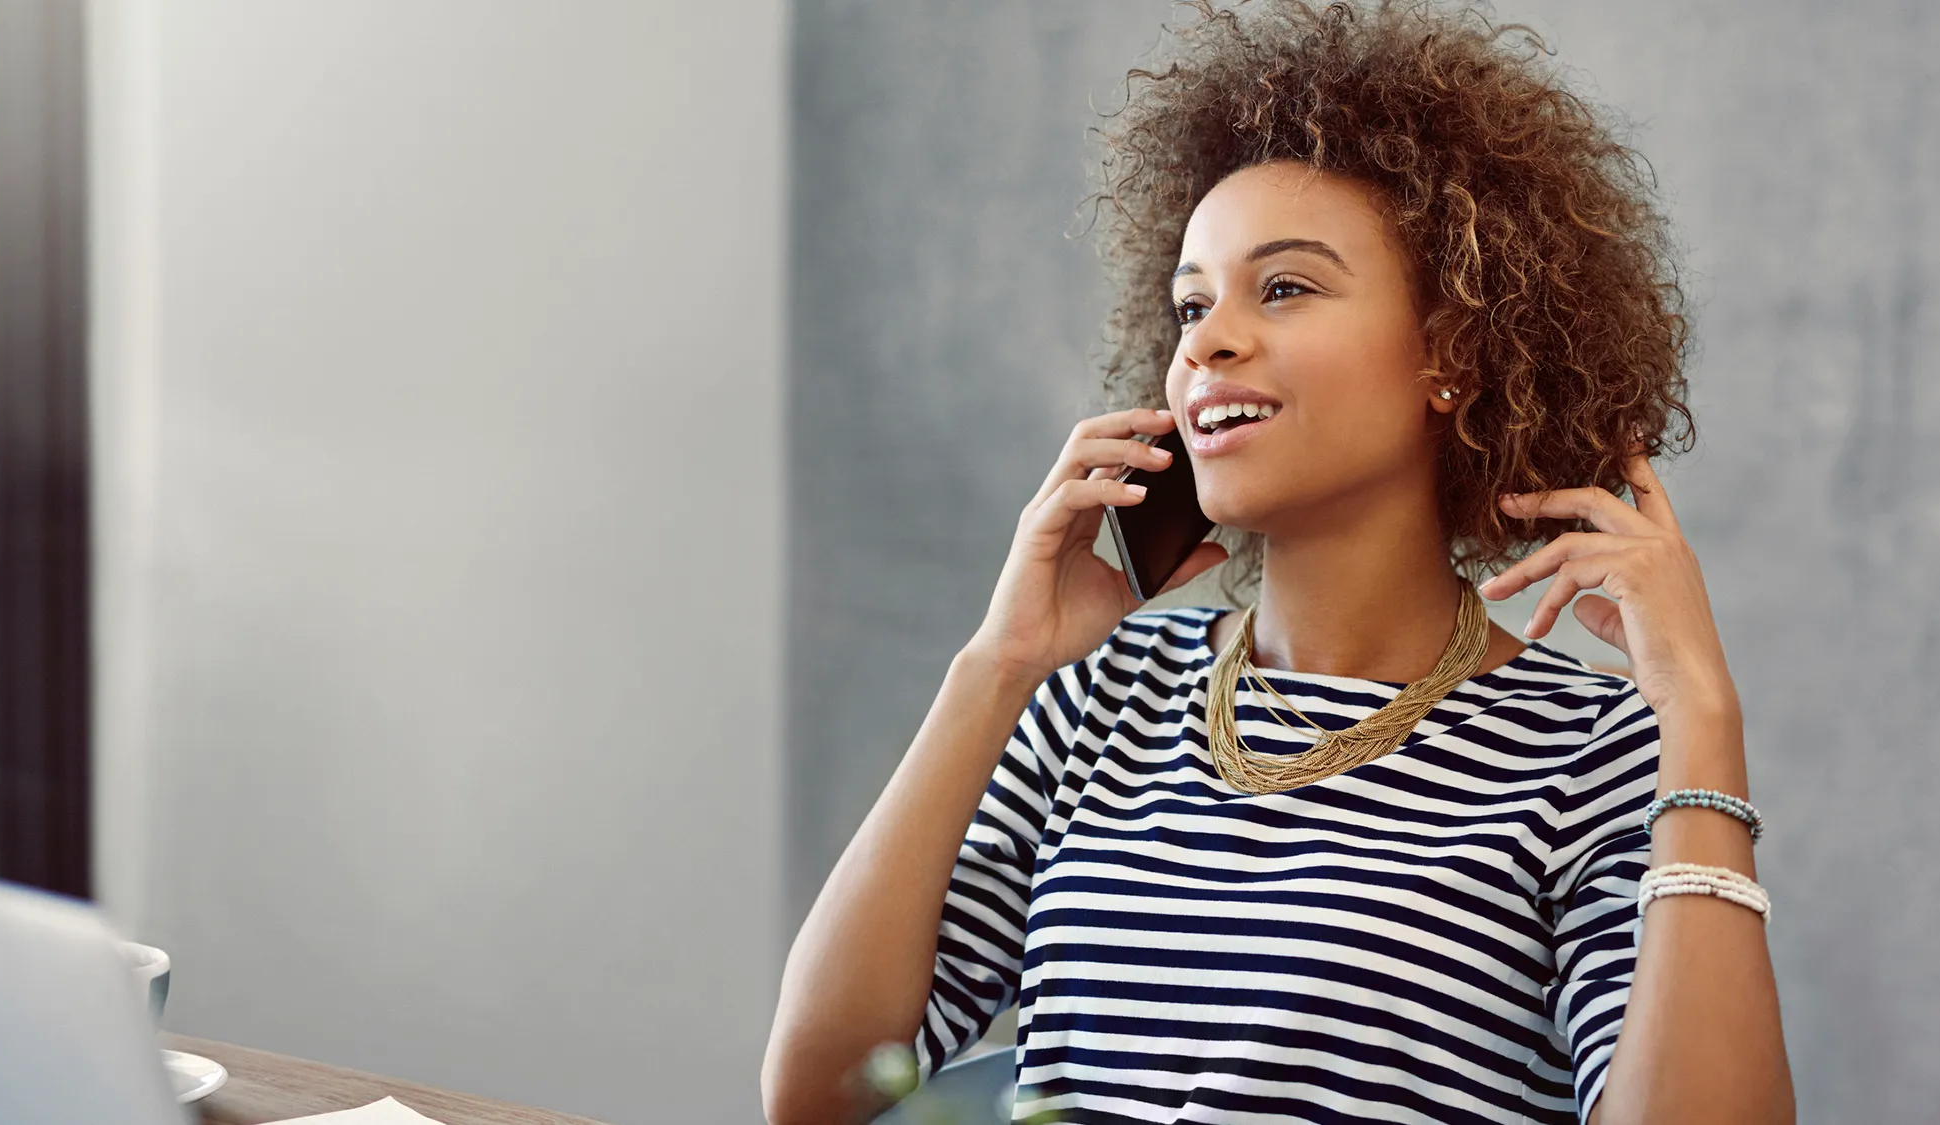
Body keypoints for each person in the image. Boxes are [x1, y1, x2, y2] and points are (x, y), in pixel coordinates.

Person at [763, 1, 1794, 1122]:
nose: (1205, 340)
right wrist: (995, 667)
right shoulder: (1096, 700)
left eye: (1285, 287)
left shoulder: (1588, 757)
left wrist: (1699, 713)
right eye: (1190, 303)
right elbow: (819, 1093)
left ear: (1451, 351)